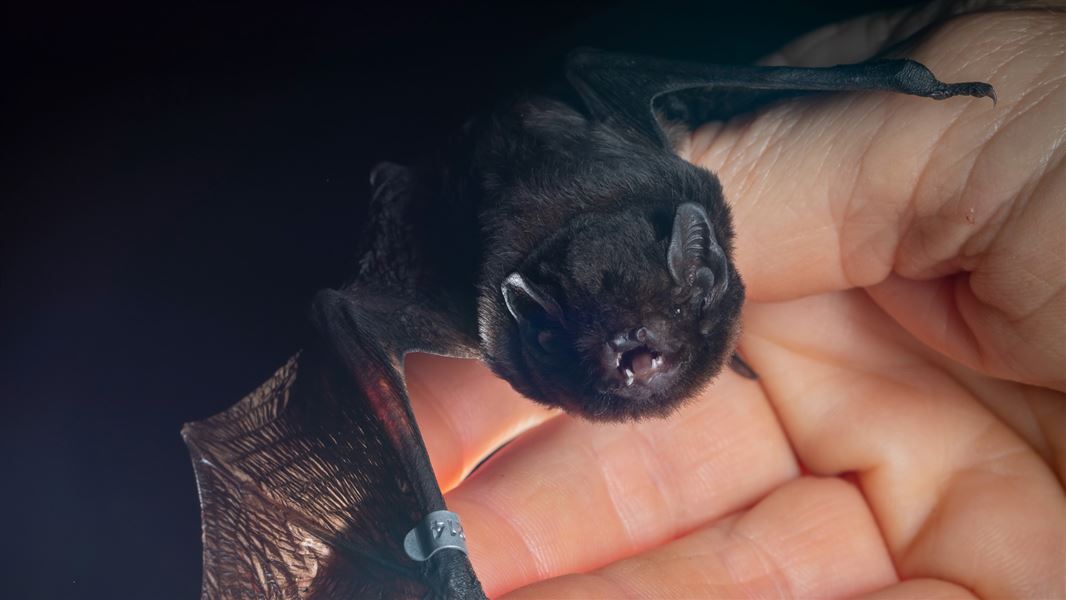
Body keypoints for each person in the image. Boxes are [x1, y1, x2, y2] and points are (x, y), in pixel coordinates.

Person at [403, 3, 1065, 597]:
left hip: (564, 138)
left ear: (703, 276)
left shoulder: (511, 308)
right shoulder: (502, 315)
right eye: (618, 342)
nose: (631, 361)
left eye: (625, 338)